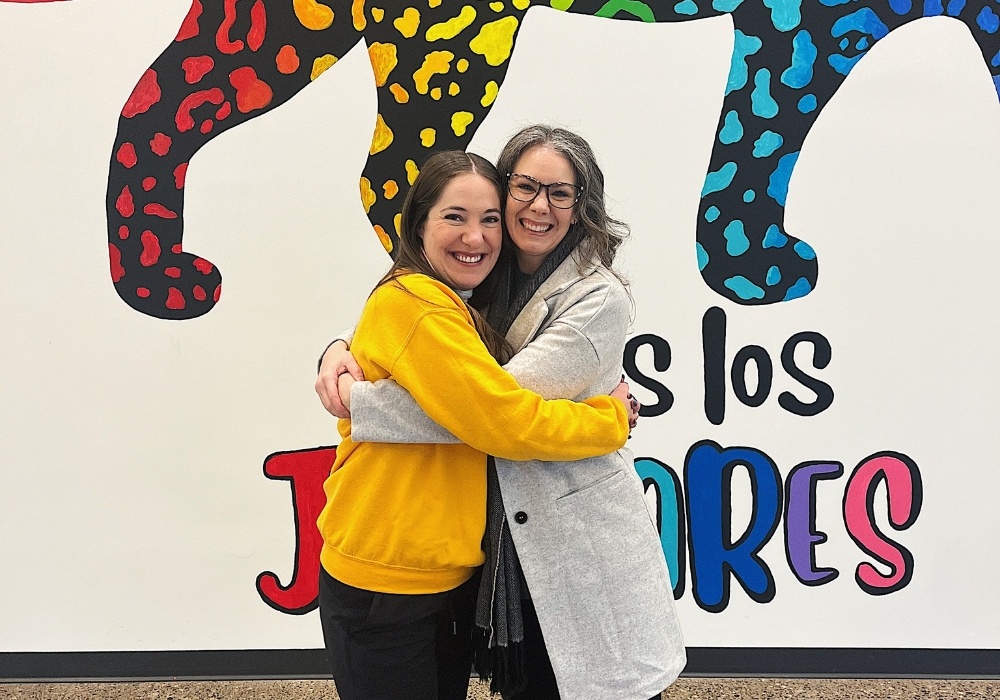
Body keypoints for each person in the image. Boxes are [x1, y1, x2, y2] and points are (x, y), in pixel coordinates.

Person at [317, 127, 686, 700]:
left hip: (570, 539)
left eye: (560, 193)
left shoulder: (596, 299)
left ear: (582, 205)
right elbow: (432, 343)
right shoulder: (485, 276)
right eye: (526, 187)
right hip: (494, 543)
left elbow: (491, 409)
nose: (540, 206)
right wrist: (343, 346)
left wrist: (361, 401)